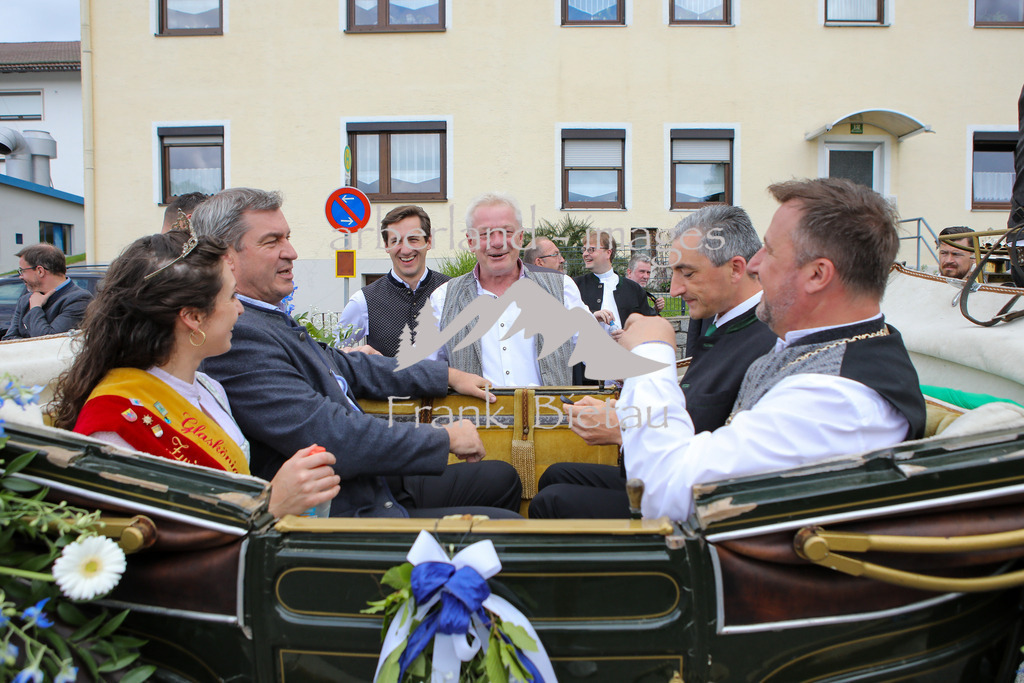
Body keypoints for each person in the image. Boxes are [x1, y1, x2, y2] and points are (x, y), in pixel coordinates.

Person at [568, 178, 926, 522]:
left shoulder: (838, 399)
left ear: (818, 275)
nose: (753, 265)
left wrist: (651, 355)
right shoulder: (824, 352)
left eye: (769, 251)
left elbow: (670, 495)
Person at [192, 187, 521, 518]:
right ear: (226, 257)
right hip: (351, 508)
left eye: (287, 238)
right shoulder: (239, 335)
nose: (291, 252)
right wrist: (441, 437)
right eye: (271, 241)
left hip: (372, 481)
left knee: (502, 477)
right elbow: (331, 434)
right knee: (507, 526)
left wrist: (448, 375)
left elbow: (350, 365)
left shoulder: (266, 317)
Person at [52, 231, 342, 518]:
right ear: (193, 317)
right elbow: (154, 548)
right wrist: (271, 506)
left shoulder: (207, 387)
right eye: (231, 296)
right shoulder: (114, 426)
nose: (240, 309)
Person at [529, 205, 776, 518]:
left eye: (687, 273)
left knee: (550, 501)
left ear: (736, 269)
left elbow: (722, 453)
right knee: (554, 475)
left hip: (692, 503)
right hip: (668, 470)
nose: (675, 288)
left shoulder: (767, 341)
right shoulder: (724, 321)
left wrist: (624, 428)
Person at [426, 192, 588, 386]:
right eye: (485, 234)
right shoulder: (443, 298)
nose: (497, 242)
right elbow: (423, 368)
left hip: (548, 415)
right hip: (475, 416)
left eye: (507, 232)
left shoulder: (562, 289)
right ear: (471, 242)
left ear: (520, 238)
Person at [336, 205, 449, 356]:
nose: (406, 250)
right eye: (396, 241)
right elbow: (335, 354)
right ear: (386, 246)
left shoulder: (451, 291)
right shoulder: (363, 300)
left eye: (413, 239)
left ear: (428, 242)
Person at [3, 243, 92, 340]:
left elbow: (49, 341)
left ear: (40, 271)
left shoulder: (79, 300)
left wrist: (35, 308)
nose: (20, 276)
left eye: (22, 271)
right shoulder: (25, 300)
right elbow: (8, 340)